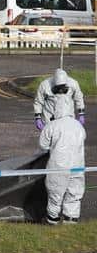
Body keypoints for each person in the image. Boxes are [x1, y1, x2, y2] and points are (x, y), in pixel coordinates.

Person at [39, 96, 86, 225]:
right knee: (74, 193)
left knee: (55, 193)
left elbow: (43, 146)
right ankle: (71, 219)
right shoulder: (78, 126)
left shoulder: (52, 125)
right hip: (78, 165)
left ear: (56, 109)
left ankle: (52, 219)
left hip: (58, 165)